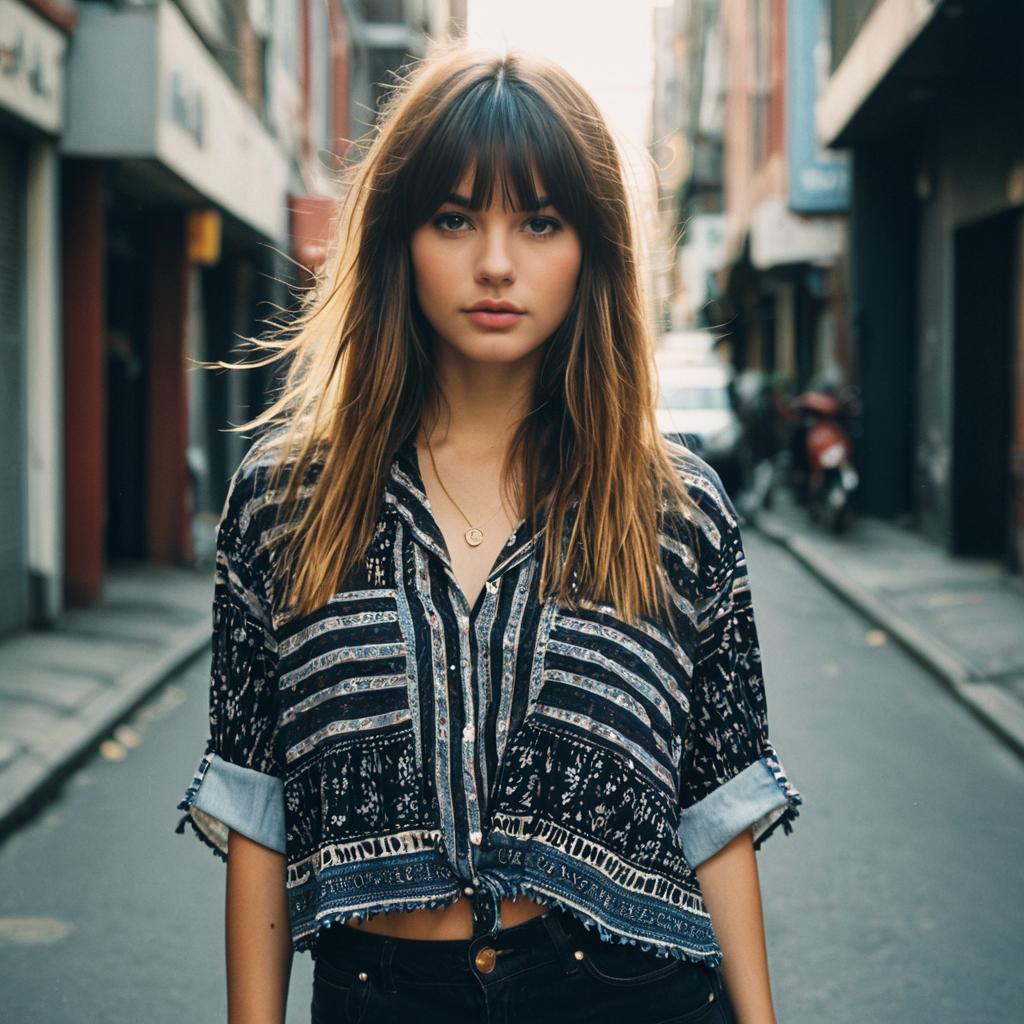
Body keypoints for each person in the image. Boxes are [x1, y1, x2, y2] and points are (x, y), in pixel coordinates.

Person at [174, 44, 804, 1024]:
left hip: (626, 990)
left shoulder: (674, 512)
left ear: (589, 249)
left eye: (540, 221)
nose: (496, 262)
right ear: (399, 236)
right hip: (383, 994)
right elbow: (260, 814)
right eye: (455, 217)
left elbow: (713, 811)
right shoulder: (283, 504)